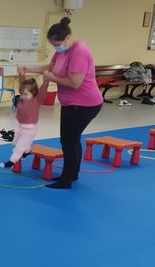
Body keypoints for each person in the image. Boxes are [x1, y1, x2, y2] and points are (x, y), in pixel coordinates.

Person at [28, 17, 103, 189]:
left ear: (67, 38)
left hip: (84, 104)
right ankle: (71, 174)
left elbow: (75, 82)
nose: (56, 47)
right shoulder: (63, 49)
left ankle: (66, 179)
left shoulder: (79, 53)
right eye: (54, 45)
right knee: (72, 140)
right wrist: (28, 68)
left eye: (58, 44)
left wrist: (52, 78)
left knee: (68, 140)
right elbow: (51, 67)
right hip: (71, 104)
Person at [0, 70, 46, 169]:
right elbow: (22, 85)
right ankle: (27, 151)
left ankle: (11, 162)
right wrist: (22, 75)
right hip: (20, 126)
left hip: (29, 129)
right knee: (15, 142)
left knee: (19, 146)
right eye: (22, 94)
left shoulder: (36, 101)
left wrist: (46, 82)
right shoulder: (22, 97)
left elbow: (42, 92)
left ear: (33, 94)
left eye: (26, 94)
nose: (23, 96)